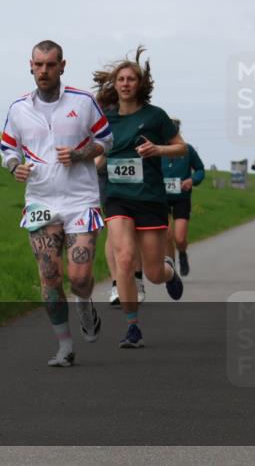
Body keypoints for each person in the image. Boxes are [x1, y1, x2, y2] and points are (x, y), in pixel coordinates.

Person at [0, 40, 112, 367]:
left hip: (80, 199)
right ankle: (64, 346)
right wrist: (13, 166)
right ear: (30, 66)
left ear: (63, 66)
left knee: (78, 278)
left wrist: (79, 154)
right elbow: (7, 149)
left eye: (50, 65)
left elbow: (107, 139)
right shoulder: (19, 108)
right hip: (40, 201)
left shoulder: (84, 101)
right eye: (38, 65)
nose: (44, 71)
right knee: (49, 276)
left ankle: (85, 303)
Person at [93, 46, 187, 348]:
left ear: (140, 83)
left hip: (150, 198)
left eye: (131, 78)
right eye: (120, 79)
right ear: (114, 83)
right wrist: (98, 160)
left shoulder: (155, 116)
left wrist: (158, 150)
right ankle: (132, 327)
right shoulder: (106, 119)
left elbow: (181, 147)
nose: (125, 83)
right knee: (123, 257)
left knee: (154, 271)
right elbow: (99, 152)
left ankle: (170, 273)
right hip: (118, 197)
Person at [99, 154, 146, 306]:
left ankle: (137, 280)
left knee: (132, 230)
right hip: (107, 174)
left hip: (134, 168)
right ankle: (116, 286)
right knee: (113, 230)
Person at [162, 118, 205, 276]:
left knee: (179, 238)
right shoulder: (157, 150)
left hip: (181, 198)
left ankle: (182, 254)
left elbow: (200, 170)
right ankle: (171, 268)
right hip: (162, 198)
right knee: (167, 234)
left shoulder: (187, 150)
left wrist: (192, 180)